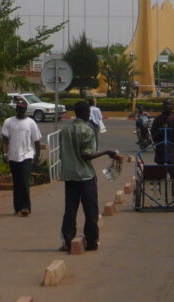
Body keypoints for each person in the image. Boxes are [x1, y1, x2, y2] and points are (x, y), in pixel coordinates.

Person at [56, 100, 119, 253]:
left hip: (69, 175)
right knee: (90, 209)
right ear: (84, 113)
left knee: (70, 209)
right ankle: (91, 241)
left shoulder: (64, 131)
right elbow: (86, 155)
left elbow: (62, 153)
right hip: (85, 176)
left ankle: (67, 240)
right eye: (88, 113)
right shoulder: (86, 130)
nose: (89, 115)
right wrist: (106, 152)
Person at [1, 97, 42, 217]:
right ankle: (17, 207)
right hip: (13, 157)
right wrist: (4, 153)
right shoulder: (8, 122)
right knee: (17, 183)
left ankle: (26, 207)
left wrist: (37, 158)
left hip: (27, 156)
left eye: (22, 108)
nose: (20, 110)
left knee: (24, 182)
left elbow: (37, 142)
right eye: (18, 108)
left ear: (25, 110)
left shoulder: (31, 123)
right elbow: (4, 140)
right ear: (16, 109)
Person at [150, 98, 174, 179]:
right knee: (161, 177)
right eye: (165, 104)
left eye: (169, 104)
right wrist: (161, 131)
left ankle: (173, 190)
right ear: (163, 106)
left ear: (172, 106)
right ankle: (162, 190)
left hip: (173, 152)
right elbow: (153, 137)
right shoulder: (158, 120)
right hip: (161, 152)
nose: (167, 106)